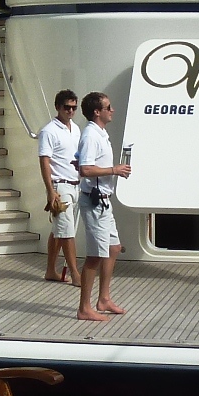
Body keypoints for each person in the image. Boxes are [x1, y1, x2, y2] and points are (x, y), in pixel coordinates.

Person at [75, 90, 130, 322]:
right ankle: (84, 308)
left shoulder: (100, 134)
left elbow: (82, 162)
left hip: (104, 201)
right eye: (108, 107)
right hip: (94, 201)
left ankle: (104, 298)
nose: (112, 110)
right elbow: (85, 169)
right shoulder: (91, 135)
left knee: (113, 248)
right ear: (97, 112)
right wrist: (114, 170)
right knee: (95, 256)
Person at [36, 88, 82, 286]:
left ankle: (50, 270)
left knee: (59, 230)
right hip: (60, 186)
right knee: (66, 232)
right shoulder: (49, 131)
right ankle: (75, 274)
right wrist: (50, 190)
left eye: (74, 108)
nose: (70, 111)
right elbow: (44, 161)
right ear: (57, 107)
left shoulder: (76, 129)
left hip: (76, 184)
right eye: (67, 107)